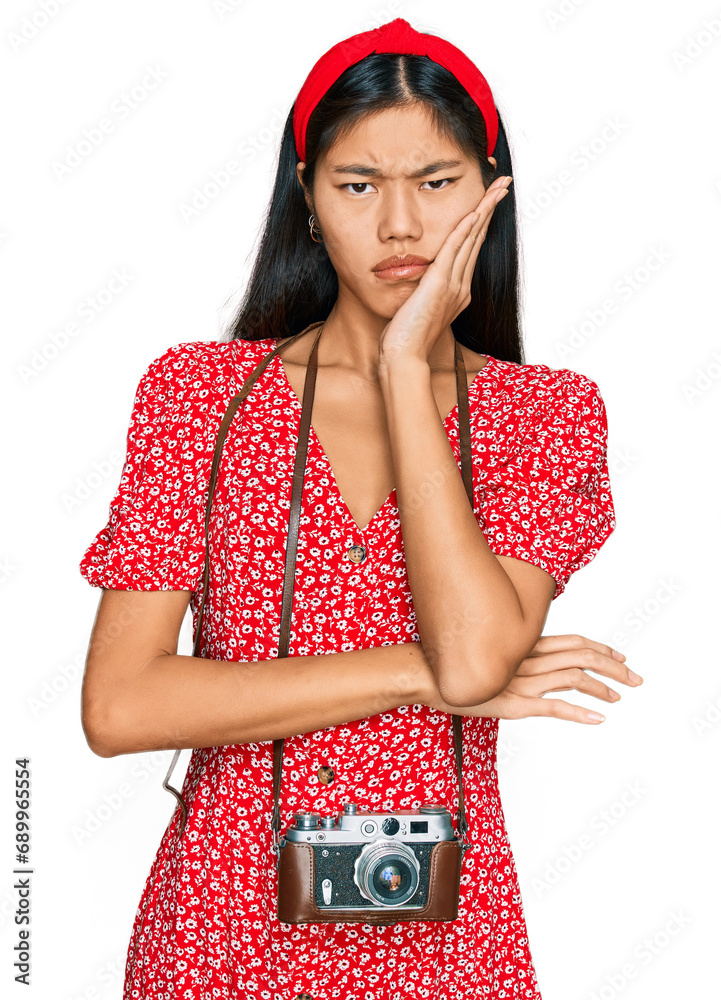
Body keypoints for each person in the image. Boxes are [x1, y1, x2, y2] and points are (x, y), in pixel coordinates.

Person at [78, 17, 641, 1000]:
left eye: (435, 183)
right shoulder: (200, 398)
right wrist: (419, 677)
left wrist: (400, 364)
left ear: (489, 192)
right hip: (221, 933)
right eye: (357, 185)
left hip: (444, 945)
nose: (399, 227)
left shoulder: (542, 417)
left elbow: (477, 656)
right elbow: (122, 704)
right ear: (305, 198)